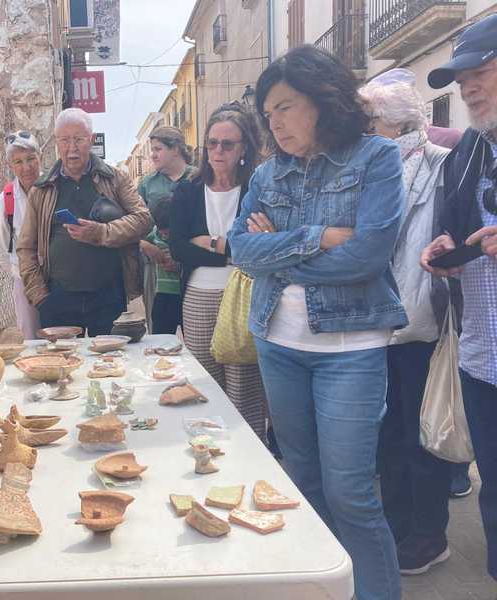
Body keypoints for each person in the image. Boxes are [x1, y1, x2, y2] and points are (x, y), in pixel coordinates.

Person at [230, 46, 407, 600]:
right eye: (268, 113)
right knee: (301, 484)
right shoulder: (266, 173)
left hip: (350, 349)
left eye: (285, 106)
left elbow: (369, 255)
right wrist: (321, 236)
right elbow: (240, 250)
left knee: (351, 493)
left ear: (322, 102)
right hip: (277, 342)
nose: (275, 122)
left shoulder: (375, 158)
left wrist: (276, 246)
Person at [360, 68, 457, 574]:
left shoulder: (444, 164)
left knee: (422, 434)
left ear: (394, 126)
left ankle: (429, 534)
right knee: (389, 435)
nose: (364, 130)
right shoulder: (374, 173)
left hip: (424, 321)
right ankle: (399, 529)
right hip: (380, 324)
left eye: (370, 120)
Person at [422, 12, 497, 583]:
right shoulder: (469, 150)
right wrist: (442, 248)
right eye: (461, 77)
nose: (467, 87)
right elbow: (452, 227)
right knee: (492, 489)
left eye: (481, 70)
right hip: (482, 356)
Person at [169, 103, 269, 442]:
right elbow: (178, 249)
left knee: (244, 387)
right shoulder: (187, 191)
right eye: (212, 143)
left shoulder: (258, 190)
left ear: (244, 148)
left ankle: (250, 454)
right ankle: (208, 453)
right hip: (198, 297)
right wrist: (230, 250)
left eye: (227, 144)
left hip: (244, 297)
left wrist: (211, 244)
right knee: (204, 384)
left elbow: (261, 249)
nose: (217, 151)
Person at [17, 108, 152, 336]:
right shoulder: (42, 189)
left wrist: (101, 233)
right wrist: (40, 297)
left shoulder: (115, 178)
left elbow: (143, 219)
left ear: (90, 139)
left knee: (110, 367)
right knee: (61, 368)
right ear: (56, 143)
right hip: (58, 299)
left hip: (108, 296)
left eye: (79, 139)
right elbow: (25, 247)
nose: (72, 148)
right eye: (65, 140)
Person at [138, 127, 194, 330]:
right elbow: (134, 223)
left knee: (196, 335)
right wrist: (146, 246)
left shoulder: (198, 178)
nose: (152, 155)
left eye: (158, 149)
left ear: (176, 149)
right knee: (159, 334)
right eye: (152, 149)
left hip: (192, 272)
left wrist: (182, 257)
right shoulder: (147, 184)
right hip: (157, 271)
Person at [0, 130, 42, 339]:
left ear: (40, 157)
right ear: (11, 166)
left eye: (31, 159)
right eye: (18, 162)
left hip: (59, 278)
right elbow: (2, 250)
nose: (26, 167)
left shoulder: (56, 188)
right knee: (31, 339)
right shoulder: (4, 201)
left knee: (63, 338)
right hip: (26, 281)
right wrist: (20, 272)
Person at [145, 197, 182, 334]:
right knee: (160, 338)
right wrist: (146, 245)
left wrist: (179, 265)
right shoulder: (154, 233)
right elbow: (134, 241)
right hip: (163, 294)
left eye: (167, 231)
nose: (163, 235)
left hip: (184, 293)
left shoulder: (186, 235)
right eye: (161, 231)